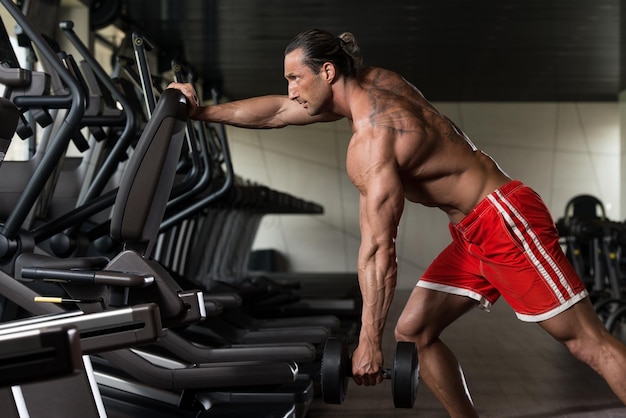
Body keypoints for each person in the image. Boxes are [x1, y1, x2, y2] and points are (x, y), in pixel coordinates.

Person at [169, 29, 626, 417]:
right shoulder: (375, 81)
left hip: (506, 219)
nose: (290, 89)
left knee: (588, 343)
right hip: (471, 231)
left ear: (326, 73)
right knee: (415, 332)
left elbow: (379, 249)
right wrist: (200, 113)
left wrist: (369, 342)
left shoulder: (373, 141)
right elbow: (276, 112)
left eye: (294, 77)